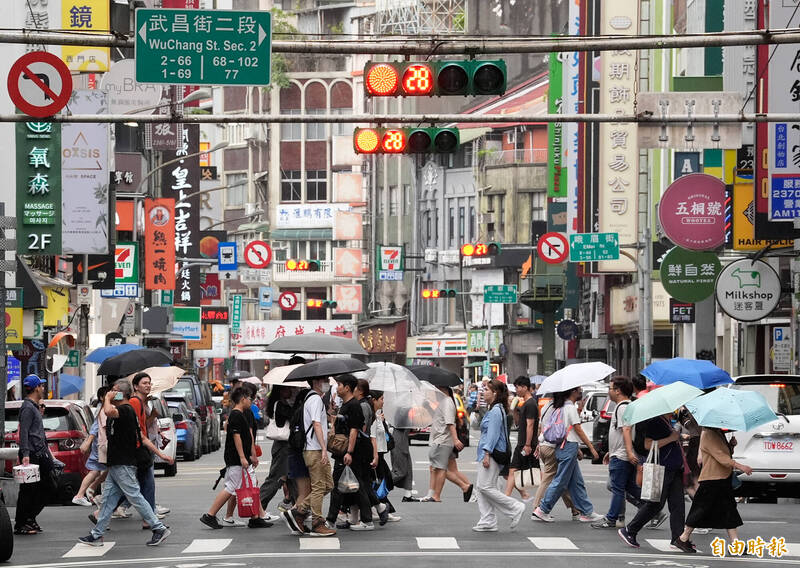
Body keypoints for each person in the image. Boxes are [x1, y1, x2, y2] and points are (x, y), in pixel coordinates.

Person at [79, 379, 171, 547]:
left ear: (121, 393)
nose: (111, 393)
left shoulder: (125, 409)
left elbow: (107, 411)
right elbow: (140, 437)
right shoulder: (123, 410)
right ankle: (97, 534)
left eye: (114, 391)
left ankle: (158, 528)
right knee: (108, 499)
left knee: (135, 496)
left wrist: (106, 399)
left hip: (124, 463)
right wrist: (161, 454)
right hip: (116, 463)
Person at [200, 387, 272, 530]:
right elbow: (236, 437)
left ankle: (255, 517)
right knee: (231, 487)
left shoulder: (240, 414)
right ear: (243, 399)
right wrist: (242, 457)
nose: (251, 401)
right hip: (236, 459)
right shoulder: (236, 415)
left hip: (240, 458)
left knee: (251, 484)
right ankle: (209, 515)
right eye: (249, 398)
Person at [673, 428, 753, 553]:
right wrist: (740, 466)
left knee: (729, 510)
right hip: (712, 478)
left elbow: (724, 454)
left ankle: (735, 544)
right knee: (700, 509)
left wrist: (731, 446)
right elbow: (721, 457)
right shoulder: (708, 433)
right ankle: (683, 538)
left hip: (722, 477)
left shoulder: (717, 432)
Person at [533, 387, 603, 523]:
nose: (581, 391)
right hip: (568, 446)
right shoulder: (570, 407)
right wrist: (591, 448)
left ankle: (587, 512)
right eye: (578, 390)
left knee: (577, 482)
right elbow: (578, 430)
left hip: (564, 446)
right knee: (560, 481)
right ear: (572, 392)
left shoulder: (561, 406)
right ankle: (543, 509)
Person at [618, 410, 686, 550]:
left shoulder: (667, 421)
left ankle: (678, 538)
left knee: (678, 505)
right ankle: (630, 530)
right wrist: (672, 438)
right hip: (663, 467)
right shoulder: (655, 421)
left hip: (674, 468)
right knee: (655, 504)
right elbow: (647, 445)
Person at [283, 377, 336, 537]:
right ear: (315, 382)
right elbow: (316, 424)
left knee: (328, 485)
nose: (327, 382)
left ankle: (298, 511)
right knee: (320, 486)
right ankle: (317, 523)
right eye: (324, 379)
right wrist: (324, 449)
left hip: (315, 449)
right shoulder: (314, 399)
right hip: (315, 450)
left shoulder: (315, 399)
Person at [473, 379, 526, 532]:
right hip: (487, 452)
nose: (484, 393)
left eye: (487, 390)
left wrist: (487, 454)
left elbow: (493, 435)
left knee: (485, 487)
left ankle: (515, 507)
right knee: (482, 487)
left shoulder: (496, 410)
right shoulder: (495, 409)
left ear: (495, 393)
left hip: (491, 453)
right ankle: (487, 520)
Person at [592, 376, 643, 529]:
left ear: (618, 391)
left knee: (617, 488)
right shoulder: (627, 406)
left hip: (622, 456)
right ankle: (653, 507)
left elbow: (626, 429)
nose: (609, 391)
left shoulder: (622, 407)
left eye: (610, 388)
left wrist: (627, 452)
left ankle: (611, 518)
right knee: (630, 487)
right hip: (621, 453)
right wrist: (611, 451)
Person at [326, 375, 374, 531]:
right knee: (356, 485)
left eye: (339, 385)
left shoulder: (354, 405)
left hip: (350, 452)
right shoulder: (345, 405)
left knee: (340, 485)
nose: (337, 387)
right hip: (345, 451)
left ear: (347, 387)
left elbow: (354, 430)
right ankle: (366, 520)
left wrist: (349, 452)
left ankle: (331, 520)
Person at [15, 375, 56, 535]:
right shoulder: (27, 407)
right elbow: (24, 432)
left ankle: (30, 517)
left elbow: (35, 430)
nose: (43, 389)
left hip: (40, 453)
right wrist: (25, 454)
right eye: (42, 386)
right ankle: (21, 523)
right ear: (36, 388)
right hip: (31, 454)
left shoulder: (33, 407)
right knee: (28, 490)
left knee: (49, 486)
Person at [422, 383, 472, 503]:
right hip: (442, 440)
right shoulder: (444, 402)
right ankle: (468, 488)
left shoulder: (447, 402)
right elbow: (439, 418)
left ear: (442, 389)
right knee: (447, 469)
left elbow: (450, 423)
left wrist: (455, 440)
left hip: (442, 440)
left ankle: (464, 487)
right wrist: (428, 406)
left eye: (435, 389)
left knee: (439, 468)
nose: (434, 392)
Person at [259, 385, 296, 517]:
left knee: (292, 478)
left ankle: (298, 507)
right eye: (287, 389)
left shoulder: (280, 403)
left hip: (285, 446)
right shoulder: (280, 404)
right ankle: (258, 508)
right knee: (275, 478)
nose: (290, 391)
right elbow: (293, 417)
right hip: (283, 446)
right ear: (280, 391)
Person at [73, 386, 111, 507]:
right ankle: (86, 492)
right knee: (109, 468)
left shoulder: (105, 407)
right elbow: (96, 427)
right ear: (101, 397)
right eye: (108, 394)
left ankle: (83, 493)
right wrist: (88, 441)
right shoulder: (103, 409)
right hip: (101, 443)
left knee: (97, 470)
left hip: (100, 443)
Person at [504, 376, 539, 499]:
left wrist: (528, 445)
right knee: (515, 470)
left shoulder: (530, 404)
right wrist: (514, 410)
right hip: (523, 443)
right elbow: (519, 423)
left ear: (525, 387)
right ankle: (520, 495)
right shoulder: (524, 404)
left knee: (514, 470)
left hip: (526, 444)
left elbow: (530, 425)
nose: (516, 390)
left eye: (517, 387)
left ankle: (506, 497)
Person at [369, 390, 400, 523]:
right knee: (381, 481)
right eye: (381, 398)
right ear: (374, 400)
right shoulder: (371, 416)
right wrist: (375, 455)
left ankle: (380, 508)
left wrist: (383, 420)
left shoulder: (378, 415)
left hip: (381, 452)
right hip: (375, 454)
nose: (383, 401)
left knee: (381, 481)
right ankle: (382, 508)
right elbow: (372, 437)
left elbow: (384, 433)